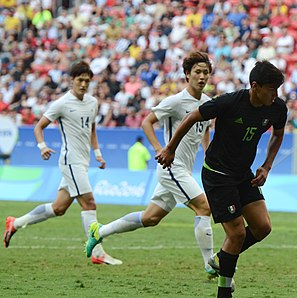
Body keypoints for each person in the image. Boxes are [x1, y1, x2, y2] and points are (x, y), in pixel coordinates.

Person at [156, 60, 286, 298]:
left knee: (263, 227)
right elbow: (192, 117)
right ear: (255, 86)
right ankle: (224, 292)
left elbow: (278, 134)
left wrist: (267, 166)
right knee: (236, 234)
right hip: (218, 174)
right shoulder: (230, 102)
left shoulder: (277, 108)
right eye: (271, 89)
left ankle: (221, 258)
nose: (275, 95)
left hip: (243, 174)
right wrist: (170, 148)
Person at [85, 51, 216, 276]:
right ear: (187, 74)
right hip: (171, 168)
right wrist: (160, 149)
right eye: (197, 72)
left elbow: (205, 128)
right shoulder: (175, 101)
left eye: (206, 72)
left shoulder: (207, 103)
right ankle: (210, 264)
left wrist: (207, 151)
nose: (202, 77)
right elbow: (147, 122)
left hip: (184, 168)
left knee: (150, 218)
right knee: (204, 207)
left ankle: (100, 231)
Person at [3, 61, 122, 265]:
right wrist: (42, 147)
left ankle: (15, 223)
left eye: (87, 81)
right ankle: (98, 252)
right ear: (71, 80)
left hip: (82, 162)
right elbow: (38, 127)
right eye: (80, 80)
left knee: (59, 208)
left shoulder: (92, 102)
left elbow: (92, 130)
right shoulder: (62, 104)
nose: (83, 84)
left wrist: (98, 154)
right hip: (70, 161)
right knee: (89, 203)